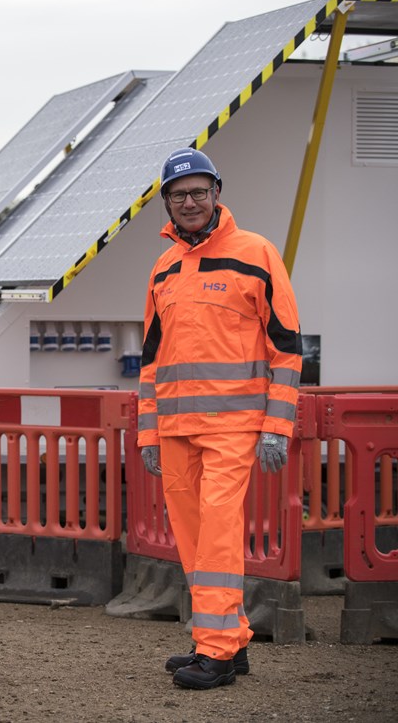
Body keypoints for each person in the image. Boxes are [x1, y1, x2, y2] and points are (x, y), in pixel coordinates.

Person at [137, 148, 302, 690]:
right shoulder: (163, 269)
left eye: (199, 191)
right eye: (179, 194)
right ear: (166, 203)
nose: (190, 201)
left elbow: (286, 348)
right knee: (191, 537)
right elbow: (152, 360)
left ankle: (215, 652)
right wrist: (149, 432)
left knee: (218, 536)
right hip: (177, 432)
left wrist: (276, 427)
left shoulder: (255, 253)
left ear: (217, 194)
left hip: (234, 428)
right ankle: (227, 638)